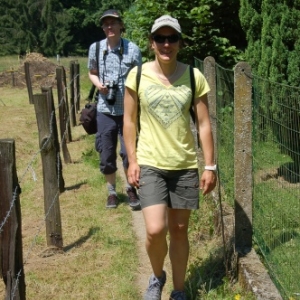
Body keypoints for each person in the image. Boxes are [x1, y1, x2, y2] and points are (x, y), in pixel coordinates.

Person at [123, 15, 217, 300]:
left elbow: (203, 124)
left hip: (185, 165)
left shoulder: (193, 76)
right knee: (154, 230)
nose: (166, 44)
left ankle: (178, 290)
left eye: (172, 38)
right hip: (151, 162)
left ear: (179, 43)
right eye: (160, 38)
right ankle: (157, 276)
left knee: (178, 229)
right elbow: (129, 120)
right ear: (152, 43)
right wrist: (133, 160)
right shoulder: (137, 75)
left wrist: (210, 165)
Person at [87, 9, 142, 209]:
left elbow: (140, 78)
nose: (109, 27)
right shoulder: (95, 48)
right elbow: (91, 72)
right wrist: (99, 84)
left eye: (113, 23)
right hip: (104, 110)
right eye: (106, 24)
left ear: (120, 25)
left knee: (129, 153)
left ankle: (130, 188)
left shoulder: (133, 49)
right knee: (106, 153)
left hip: (128, 111)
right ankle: (111, 192)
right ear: (103, 28)